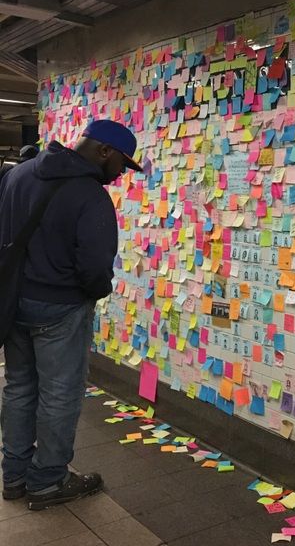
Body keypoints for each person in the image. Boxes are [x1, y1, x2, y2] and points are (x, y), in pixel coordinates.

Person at [0, 120, 142, 510]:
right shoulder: (89, 196)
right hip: (61, 309)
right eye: (121, 164)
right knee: (59, 394)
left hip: (13, 303)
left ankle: (13, 475)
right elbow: (95, 266)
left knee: (19, 386)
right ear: (103, 151)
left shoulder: (19, 175)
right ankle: (47, 480)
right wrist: (95, 292)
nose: (119, 174)